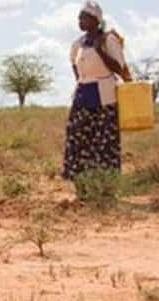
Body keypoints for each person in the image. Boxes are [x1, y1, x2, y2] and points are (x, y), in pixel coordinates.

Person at [62, 1, 130, 181]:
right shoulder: (78, 43)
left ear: (96, 20)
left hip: (104, 96)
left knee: (102, 141)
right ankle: (82, 182)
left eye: (84, 17)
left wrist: (100, 50)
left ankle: (104, 183)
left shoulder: (109, 39)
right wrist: (81, 79)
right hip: (82, 95)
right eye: (79, 18)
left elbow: (119, 67)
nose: (80, 21)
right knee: (77, 136)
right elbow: (73, 62)